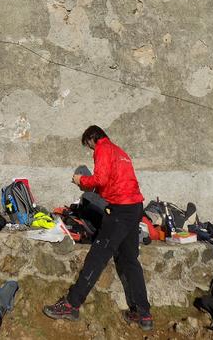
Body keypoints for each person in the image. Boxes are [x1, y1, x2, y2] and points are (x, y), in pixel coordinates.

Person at [43, 125, 153, 331]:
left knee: (97, 256)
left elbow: (99, 179)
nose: (91, 151)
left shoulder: (103, 148)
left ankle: (71, 304)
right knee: (130, 260)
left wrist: (80, 180)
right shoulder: (120, 152)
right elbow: (111, 182)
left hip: (120, 210)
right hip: (135, 207)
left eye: (89, 147)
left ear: (92, 139)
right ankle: (143, 314)